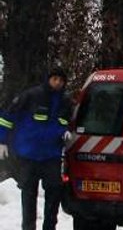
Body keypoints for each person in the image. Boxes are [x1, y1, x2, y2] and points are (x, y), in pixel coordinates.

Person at [0, 66, 73, 230]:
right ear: (48, 79)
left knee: (54, 193)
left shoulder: (66, 102)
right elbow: (8, 116)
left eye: (61, 80)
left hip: (51, 156)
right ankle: (28, 227)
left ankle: (49, 227)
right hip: (29, 155)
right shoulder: (32, 96)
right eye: (55, 79)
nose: (57, 83)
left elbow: (68, 122)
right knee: (28, 194)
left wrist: (66, 132)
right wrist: (2, 141)